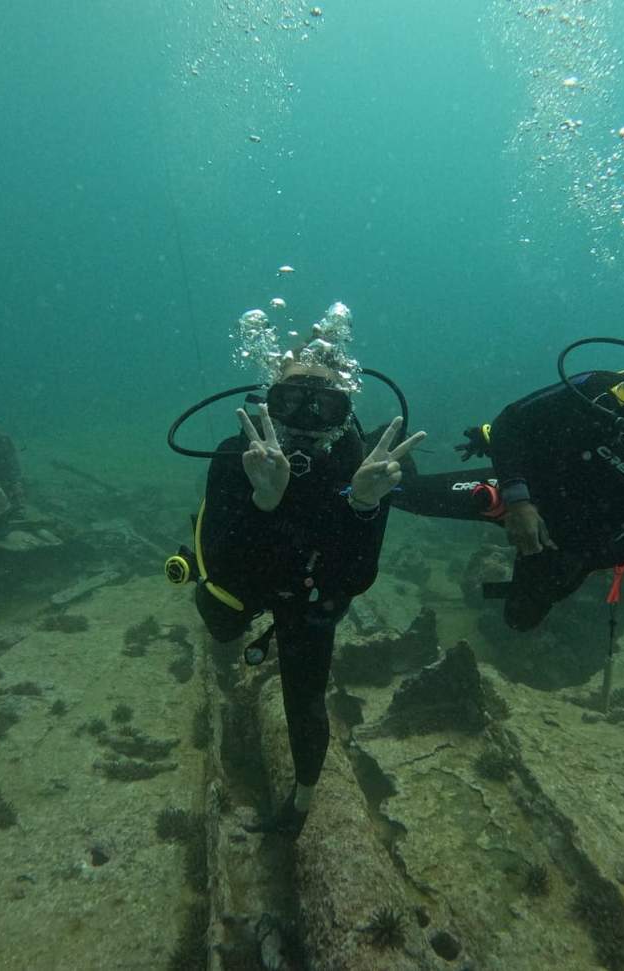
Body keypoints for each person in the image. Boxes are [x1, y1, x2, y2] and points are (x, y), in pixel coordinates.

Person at [394, 315, 624, 711]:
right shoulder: (603, 392)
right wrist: (518, 500)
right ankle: (392, 450)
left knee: (520, 619)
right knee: (399, 494)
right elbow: (511, 424)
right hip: (521, 493)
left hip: (573, 546)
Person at [189, 303, 425, 836]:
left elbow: (357, 579)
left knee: (306, 696)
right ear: (269, 402)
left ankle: (300, 803)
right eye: (291, 399)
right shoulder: (237, 454)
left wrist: (365, 504)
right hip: (250, 579)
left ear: (344, 410)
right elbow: (223, 566)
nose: (305, 418)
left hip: (311, 595)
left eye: (324, 404)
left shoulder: (359, 463)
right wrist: (263, 503)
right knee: (222, 622)